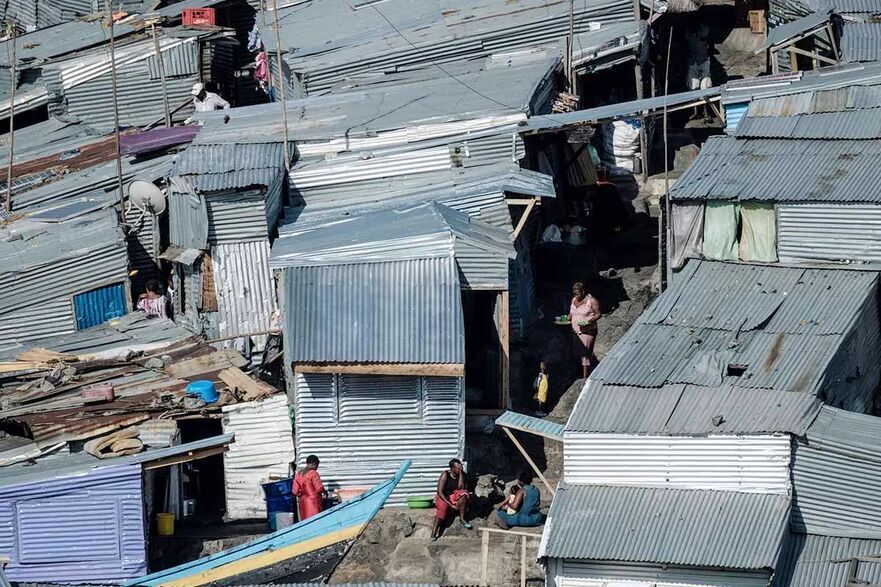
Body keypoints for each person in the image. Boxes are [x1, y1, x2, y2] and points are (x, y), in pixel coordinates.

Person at [431, 459, 472, 541]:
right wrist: (450, 504)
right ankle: (434, 533)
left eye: (461, 468)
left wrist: (460, 474)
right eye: (458, 468)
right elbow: (440, 491)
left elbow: (461, 488)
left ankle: (462, 519)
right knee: (443, 508)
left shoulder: (462, 475)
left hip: (454, 495)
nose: (459, 469)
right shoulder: (445, 474)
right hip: (443, 496)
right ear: (452, 468)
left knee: (464, 493)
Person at [570, 282, 600, 378]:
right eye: (574, 293)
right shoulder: (574, 300)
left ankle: (585, 377)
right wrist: (565, 319)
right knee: (576, 353)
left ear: (583, 291)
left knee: (585, 354)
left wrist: (589, 321)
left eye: (577, 293)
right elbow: (572, 313)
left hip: (587, 331)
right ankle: (579, 374)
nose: (575, 295)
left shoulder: (591, 301)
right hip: (575, 331)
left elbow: (598, 314)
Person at [686, 23, 712, 121]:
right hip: (692, 62)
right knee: (693, 87)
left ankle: (706, 112)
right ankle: (695, 112)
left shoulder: (705, 29)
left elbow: (710, 45)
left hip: (703, 61)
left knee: (705, 88)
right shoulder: (687, 32)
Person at [293, 455, 325, 521]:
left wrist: (301, 494)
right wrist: (324, 491)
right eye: (317, 465)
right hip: (313, 502)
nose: (317, 467)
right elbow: (319, 488)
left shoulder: (298, 474)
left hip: (303, 502)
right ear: (314, 463)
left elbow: (295, 491)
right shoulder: (313, 473)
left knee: (306, 521)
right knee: (316, 520)